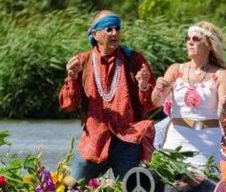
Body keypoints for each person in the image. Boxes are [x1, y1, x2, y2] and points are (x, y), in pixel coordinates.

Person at [60, 10, 156, 181]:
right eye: (109, 29)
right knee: (71, 188)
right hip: (94, 141)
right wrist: (72, 78)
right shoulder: (82, 61)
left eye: (117, 28)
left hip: (128, 139)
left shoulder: (134, 60)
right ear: (95, 35)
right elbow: (68, 105)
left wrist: (143, 85)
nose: (115, 33)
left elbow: (152, 104)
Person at [150, 22, 226, 172]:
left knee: (205, 183)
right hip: (178, 135)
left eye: (195, 39)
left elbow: (222, 113)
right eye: (187, 38)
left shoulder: (221, 74)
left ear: (209, 44)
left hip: (207, 137)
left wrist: (224, 107)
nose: (190, 42)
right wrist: (158, 89)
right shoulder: (176, 69)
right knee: (172, 181)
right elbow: (157, 102)